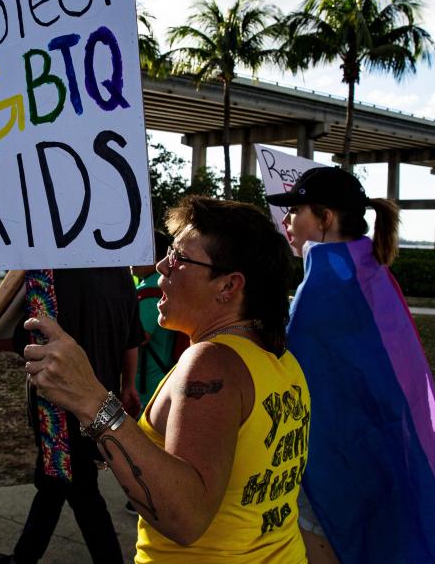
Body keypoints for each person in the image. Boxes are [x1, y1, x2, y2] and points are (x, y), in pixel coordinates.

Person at [23, 197, 310, 563]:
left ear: (228, 286)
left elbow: (186, 519)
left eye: (178, 258)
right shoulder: (281, 359)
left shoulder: (212, 363)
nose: (162, 265)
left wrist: (91, 400)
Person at [266, 166, 435, 564]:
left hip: (338, 460)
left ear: (325, 217)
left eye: (295, 210)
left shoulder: (326, 283)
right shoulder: (370, 271)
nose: (286, 220)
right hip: (387, 451)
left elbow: (293, 368)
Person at [0, 267, 142, 564]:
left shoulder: (49, 274)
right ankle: (22, 557)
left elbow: (33, 341)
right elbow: (133, 337)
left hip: (60, 406)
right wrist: (128, 384)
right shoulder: (120, 272)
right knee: (55, 483)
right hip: (102, 397)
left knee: (79, 490)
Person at [131, 231, 182, 407]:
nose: (132, 259)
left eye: (138, 253)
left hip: (148, 383)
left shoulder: (150, 292)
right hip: (163, 373)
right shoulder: (165, 286)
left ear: (156, 258)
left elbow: (139, 336)